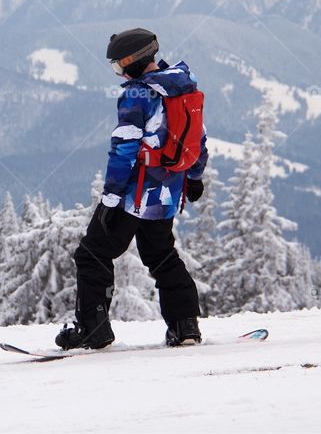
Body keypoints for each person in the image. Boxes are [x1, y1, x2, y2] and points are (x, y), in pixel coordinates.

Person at [55, 28, 209, 350]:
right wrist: (194, 177)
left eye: (119, 65)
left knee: (92, 254)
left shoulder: (137, 95)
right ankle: (185, 328)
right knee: (161, 253)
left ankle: (92, 329)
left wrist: (110, 199)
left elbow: (124, 148)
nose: (120, 73)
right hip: (167, 193)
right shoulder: (182, 87)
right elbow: (198, 139)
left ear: (134, 61)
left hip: (134, 194)